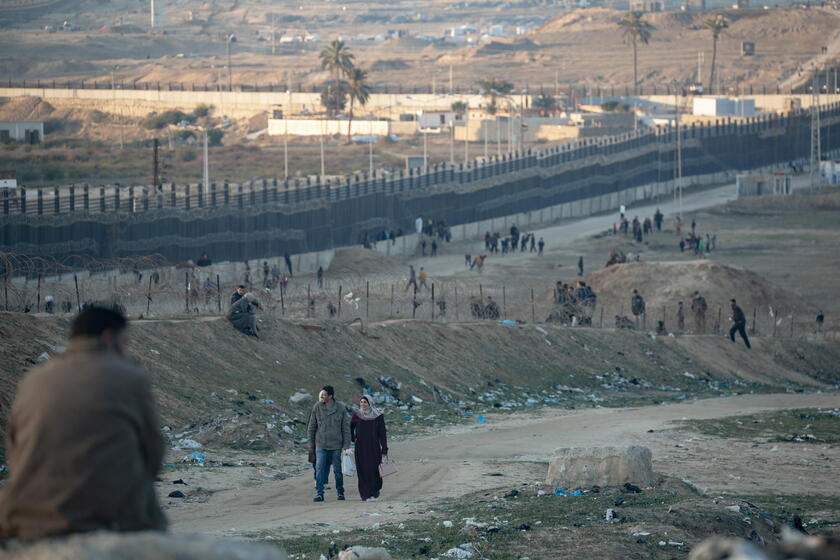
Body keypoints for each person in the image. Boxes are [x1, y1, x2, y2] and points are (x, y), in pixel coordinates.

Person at [0, 306, 166, 540]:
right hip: (109, 519)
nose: (125, 349)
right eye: (124, 342)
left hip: (28, 517)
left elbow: (15, 451)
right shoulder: (130, 377)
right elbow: (152, 453)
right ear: (109, 338)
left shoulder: (34, 379)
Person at [308, 385, 351, 502]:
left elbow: (345, 428)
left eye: (325, 394)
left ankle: (340, 491)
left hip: (336, 445)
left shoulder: (340, 408)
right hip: (320, 444)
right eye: (322, 394)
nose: (322, 396)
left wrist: (346, 445)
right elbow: (312, 426)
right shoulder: (317, 407)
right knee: (320, 469)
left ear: (331, 396)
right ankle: (319, 493)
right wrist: (311, 443)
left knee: (337, 470)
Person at [350, 395, 389, 501]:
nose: (363, 404)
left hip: (374, 447)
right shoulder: (357, 415)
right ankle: (365, 494)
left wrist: (384, 449)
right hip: (360, 448)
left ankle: (375, 490)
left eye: (365, 402)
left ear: (370, 403)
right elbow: (350, 427)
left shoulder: (378, 416)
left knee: (374, 470)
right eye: (361, 402)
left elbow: (382, 434)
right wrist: (353, 438)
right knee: (362, 470)